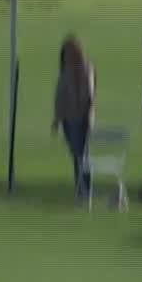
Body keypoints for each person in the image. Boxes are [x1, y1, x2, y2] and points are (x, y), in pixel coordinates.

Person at [53, 36, 96, 201]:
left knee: (81, 155)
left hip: (80, 119)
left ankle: (85, 189)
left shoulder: (85, 69)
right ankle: (80, 188)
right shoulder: (65, 70)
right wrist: (57, 118)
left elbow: (89, 94)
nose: (69, 55)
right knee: (76, 155)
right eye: (66, 52)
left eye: (71, 51)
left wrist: (85, 112)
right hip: (67, 119)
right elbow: (60, 96)